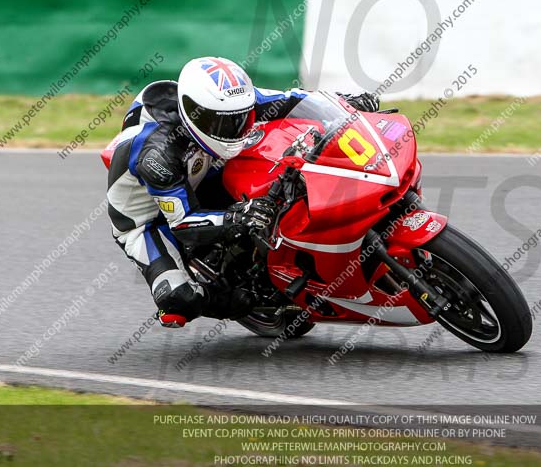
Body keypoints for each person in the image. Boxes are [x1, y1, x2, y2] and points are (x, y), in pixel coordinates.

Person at [106, 56, 379, 328]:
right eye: (225, 124)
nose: (236, 129)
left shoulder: (224, 103)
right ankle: (232, 300)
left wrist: (346, 103)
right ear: (195, 115)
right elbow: (182, 223)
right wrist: (237, 218)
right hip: (150, 221)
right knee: (181, 299)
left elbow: (290, 99)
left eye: (241, 118)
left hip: (199, 167)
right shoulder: (158, 156)